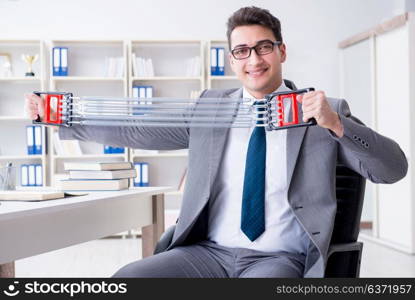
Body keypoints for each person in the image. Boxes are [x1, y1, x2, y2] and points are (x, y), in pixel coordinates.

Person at [24, 6, 407, 278]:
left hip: (279, 258)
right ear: (231, 59)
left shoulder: (322, 111)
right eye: (242, 50)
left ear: (281, 51)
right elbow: (137, 130)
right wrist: (61, 118)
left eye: (264, 47)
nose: (253, 59)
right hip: (205, 254)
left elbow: (393, 169)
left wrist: (336, 124)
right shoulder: (211, 108)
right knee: (130, 279)